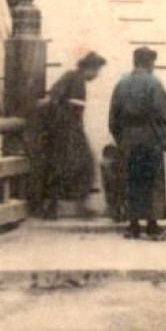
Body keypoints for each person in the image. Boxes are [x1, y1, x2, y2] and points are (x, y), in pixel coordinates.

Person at [108, 46, 166, 240]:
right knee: (152, 181)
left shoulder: (122, 83)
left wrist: (122, 138)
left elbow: (113, 118)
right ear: (149, 63)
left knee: (131, 181)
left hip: (128, 138)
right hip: (149, 138)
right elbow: (164, 110)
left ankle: (133, 226)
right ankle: (152, 226)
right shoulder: (153, 82)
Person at [31, 52, 107, 218]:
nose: (96, 75)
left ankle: (56, 206)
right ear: (89, 68)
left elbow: (52, 98)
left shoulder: (70, 77)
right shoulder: (77, 81)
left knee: (62, 166)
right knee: (79, 165)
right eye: (97, 71)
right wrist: (74, 131)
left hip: (60, 130)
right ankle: (71, 206)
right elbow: (71, 111)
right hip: (68, 131)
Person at [100, 145, 127, 222]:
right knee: (118, 197)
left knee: (115, 196)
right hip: (114, 181)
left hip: (114, 182)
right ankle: (119, 213)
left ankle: (117, 213)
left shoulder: (106, 163)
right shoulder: (108, 163)